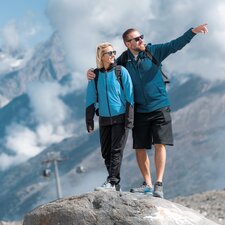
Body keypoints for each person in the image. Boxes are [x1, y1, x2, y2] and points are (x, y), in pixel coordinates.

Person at [87, 24, 208, 198]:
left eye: (141, 36)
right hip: (139, 111)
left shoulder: (153, 52)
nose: (141, 40)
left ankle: (158, 184)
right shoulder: (122, 60)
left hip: (160, 106)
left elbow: (175, 45)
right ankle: (147, 184)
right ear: (128, 44)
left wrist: (192, 32)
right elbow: (106, 68)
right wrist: (91, 72)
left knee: (160, 143)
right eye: (137, 39)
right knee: (140, 147)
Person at [85, 42, 134, 191]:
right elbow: (90, 98)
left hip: (121, 117)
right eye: (110, 53)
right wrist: (89, 120)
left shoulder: (121, 71)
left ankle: (112, 181)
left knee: (116, 151)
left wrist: (129, 119)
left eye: (114, 52)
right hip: (104, 119)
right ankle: (115, 185)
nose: (113, 55)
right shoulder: (96, 75)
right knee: (106, 152)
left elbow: (130, 95)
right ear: (102, 56)